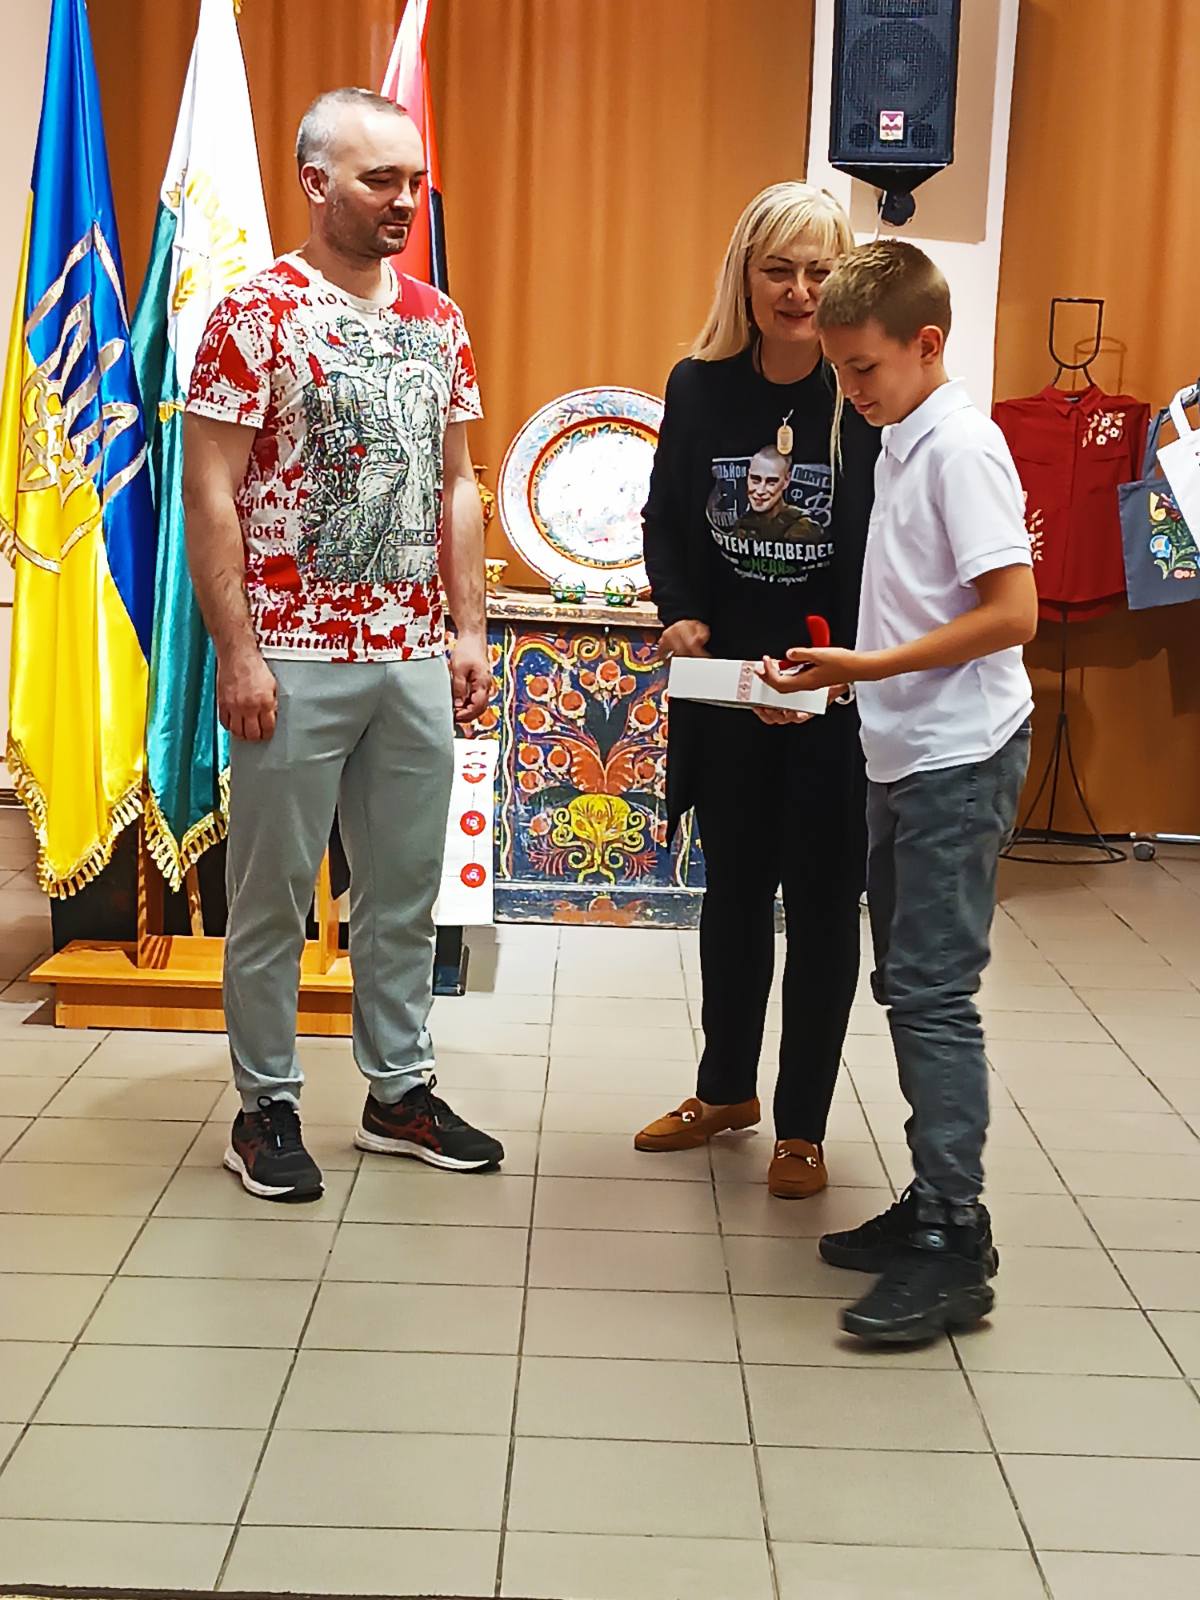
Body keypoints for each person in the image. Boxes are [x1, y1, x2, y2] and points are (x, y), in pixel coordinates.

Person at [184, 87, 504, 1202]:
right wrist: (236, 649)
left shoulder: (438, 318)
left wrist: (468, 628)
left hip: (412, 654)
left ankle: (397, 1092)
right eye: (381, 180)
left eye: (415, 181)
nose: (405, 200)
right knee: (272, 895)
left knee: (404, 890)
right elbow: (210, 491)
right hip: (292, 653)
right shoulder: (253, 314)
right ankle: (266, 1106)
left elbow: (457, 481)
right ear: (316, 182)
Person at [761, 240, 1037, 1340]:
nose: (851, 388)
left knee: (931, 991)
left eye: (865, 367)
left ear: (927, 343)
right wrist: (841, 684)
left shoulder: (962, 447)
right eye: (840, 370)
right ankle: (932, 1201)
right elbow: (918, 602)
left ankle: (953, 1237)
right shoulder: (900, 440)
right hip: (903, 746)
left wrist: (867, 668)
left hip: (957, 756)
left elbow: (1012, 613)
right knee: (909, 983)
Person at [634, 183, 879, 1198]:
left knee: (822, 909)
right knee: (732, 895)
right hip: (727, 688)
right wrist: (680, 611)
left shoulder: (864, 396)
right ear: (746, 273)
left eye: (820, 271)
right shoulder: (699, 386)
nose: (799, 290)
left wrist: (840, 669)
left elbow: (887, 554)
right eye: (779, 268)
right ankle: (725, 1091)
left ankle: (803, 1128)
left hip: (836, 696)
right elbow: (664, 518)